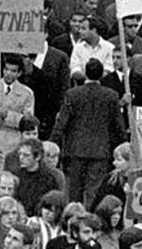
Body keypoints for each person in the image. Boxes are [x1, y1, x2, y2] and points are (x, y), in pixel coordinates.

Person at [52, 59, 125, 207]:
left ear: (85, 73)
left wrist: (52, 142)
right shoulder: (111, 95)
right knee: (94, 193)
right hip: (100, 151)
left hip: (75, 150)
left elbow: (62, 123)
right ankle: (91, 222)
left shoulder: (72, 94)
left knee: (73, 193)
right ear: (102, 75)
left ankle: (72, 221)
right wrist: (124, 143)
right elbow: (119, 125)